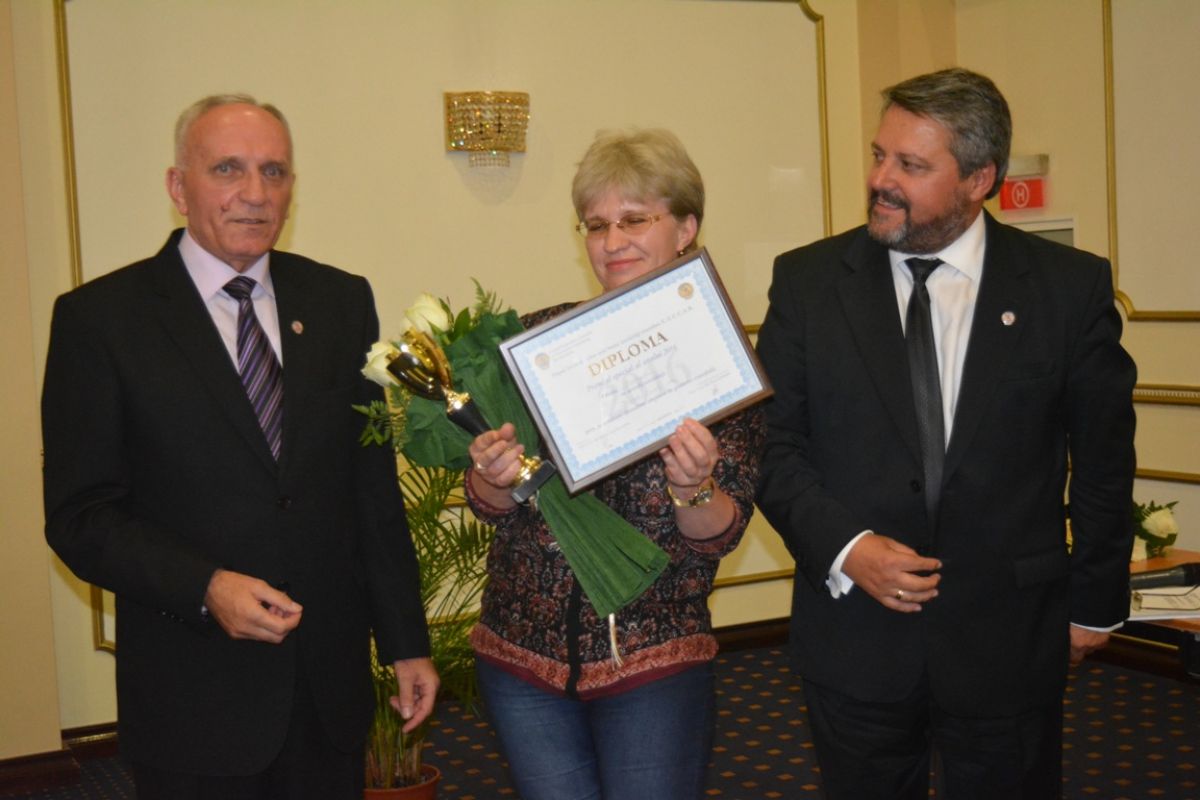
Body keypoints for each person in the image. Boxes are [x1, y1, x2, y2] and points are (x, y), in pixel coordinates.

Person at [41, 94, 437, 800]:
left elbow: (371, 491)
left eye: (274, 172)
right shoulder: (100, 320)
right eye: (228, 169)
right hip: (193, 696)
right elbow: (82, 516)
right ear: (178, 187)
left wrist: (406, 642)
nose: (255, 193)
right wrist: (205, 586)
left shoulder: (339, 301)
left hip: (326, 692)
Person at [755, 68, 1136, 799]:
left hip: (1009, 637)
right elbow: (772, 446)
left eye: (911, 165)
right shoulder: (808, 283)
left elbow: (1102, 459)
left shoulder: (1067, 288)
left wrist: (1095, 602)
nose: (881, 180)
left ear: (978, 179)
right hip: (856, 637)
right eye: (880, 155)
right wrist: (849, 548)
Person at [464, 129, 765, 800]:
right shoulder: (538, 342)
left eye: (635, 219)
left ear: (686, 227)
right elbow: (490, 501)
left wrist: (693, 486)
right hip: (521, 661)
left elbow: (720, 533)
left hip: (654, 666)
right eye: (596, 225)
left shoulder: (721, 362)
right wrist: (491, 473)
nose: (612, 241)